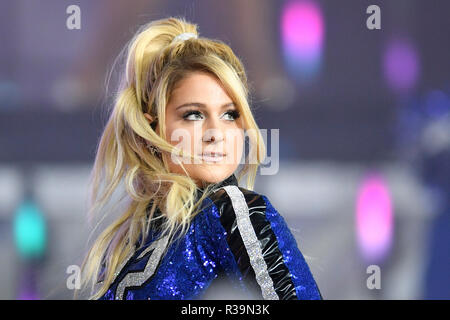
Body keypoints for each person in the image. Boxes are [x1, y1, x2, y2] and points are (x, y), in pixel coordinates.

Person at [78, 16, 322, 300]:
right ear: (151, 129)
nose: (216, 133)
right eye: (194, 115)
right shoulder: (136, 239)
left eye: (230, 115)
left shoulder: (231, 211)